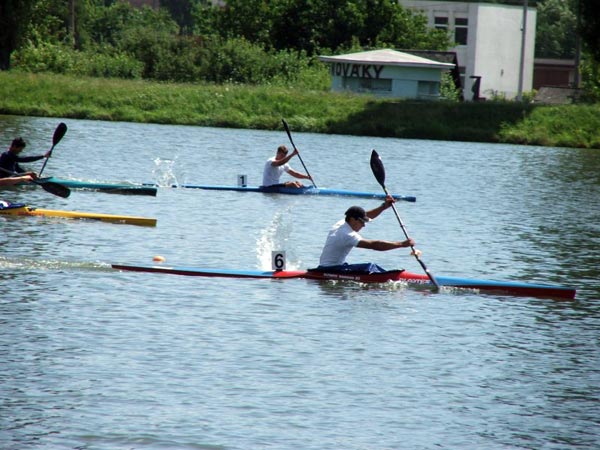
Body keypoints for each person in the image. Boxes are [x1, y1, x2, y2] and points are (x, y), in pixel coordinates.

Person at [314, 197, 415, 273]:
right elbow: (374, 245)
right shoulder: (347, 234)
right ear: (353, 219)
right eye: (362, 222)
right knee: (370, 267)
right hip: (331, 270)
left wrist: (384, 206)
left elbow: (368, 215)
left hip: (332, 267)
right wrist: (401, 244)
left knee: (369, 268)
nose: (363, 225)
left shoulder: (341, 223)